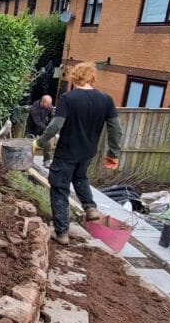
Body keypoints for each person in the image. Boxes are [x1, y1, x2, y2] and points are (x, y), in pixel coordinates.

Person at [35, 63, 122, 244]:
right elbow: (116, 129)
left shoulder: (68, 98)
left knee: (60, 188)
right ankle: (90, 207)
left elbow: (56, 125)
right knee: (80, 176)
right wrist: (113, 153)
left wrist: (40, 142)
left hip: (67, 151)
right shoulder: (106, 100)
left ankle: (61, 233)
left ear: (74, 77)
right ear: (92, 78)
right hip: (88, 152)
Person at [26, 95, 55, 167]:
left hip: (43, 127)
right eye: (48, 104)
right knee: (28, 145)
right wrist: (47, 129)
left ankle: (46, 161)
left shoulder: (49, 106)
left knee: (47, 144)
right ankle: (26, 162)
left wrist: (50, 125)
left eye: (50, 104)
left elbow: (51, 116)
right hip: (32, 129)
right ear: (42, 102)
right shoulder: (34, 109)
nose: (50, 106)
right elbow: (37, 122)